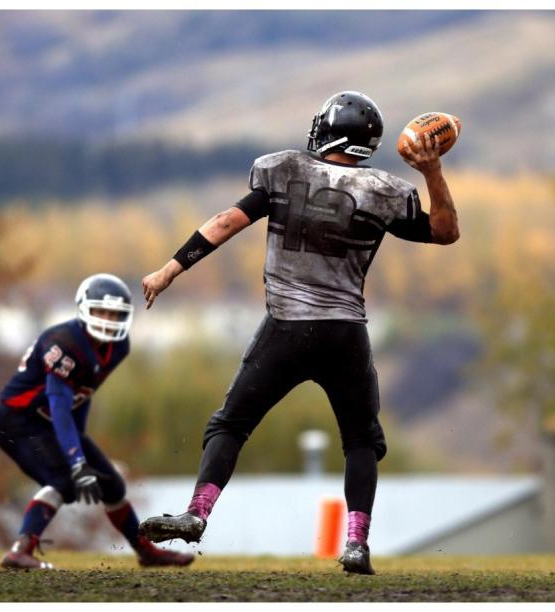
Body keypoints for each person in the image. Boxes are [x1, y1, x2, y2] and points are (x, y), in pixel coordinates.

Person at [138, 91, 460, 574]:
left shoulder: (284, 170)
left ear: (332, 131)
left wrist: (169, 269)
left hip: (287, 327)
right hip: (345, 333)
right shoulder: (382, 189)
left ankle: (197, 513)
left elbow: (226, 222)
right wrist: (432, 171)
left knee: (230, 424)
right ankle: (356, 544)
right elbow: (445, 231)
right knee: (360, 440)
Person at [0, 273, 194, 569]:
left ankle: (145, 552)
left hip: (52, 422)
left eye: (114, 313)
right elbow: (60, 404)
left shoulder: (118, 347)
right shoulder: (63, 342)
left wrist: (81, 446)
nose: (108, 319)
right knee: (64, 481)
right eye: (101, 311)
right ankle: (20, 550)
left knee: (112, 486)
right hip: (18, 422)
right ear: (84, 308)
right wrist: (77, 460)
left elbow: (82, 394)